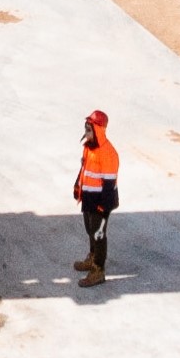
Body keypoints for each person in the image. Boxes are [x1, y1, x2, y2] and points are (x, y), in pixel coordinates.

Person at [72, 110, 119, 286]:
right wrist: (78, 186)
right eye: (85, 129)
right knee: (90, 230)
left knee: (99, 234)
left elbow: (109, 184)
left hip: (101, 202)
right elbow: (84, 170)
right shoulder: (89, 148)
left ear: (99, 130)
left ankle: (98, 270)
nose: (86, 133)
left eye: (89, 129)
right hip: (89, 199)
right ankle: (92, 258)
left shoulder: (108, 153)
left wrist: (103, 207)